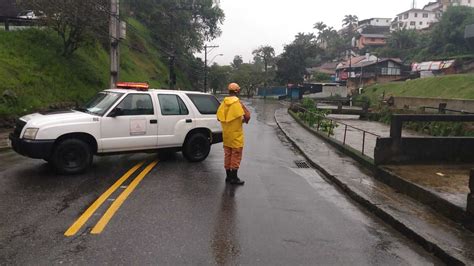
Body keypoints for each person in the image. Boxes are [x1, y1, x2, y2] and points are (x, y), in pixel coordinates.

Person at [216, 83, 251, 186]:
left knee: (227, 155)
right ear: (237, 91)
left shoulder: (224, 103)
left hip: (226, 135)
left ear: (229, 91)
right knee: (236, 155)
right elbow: (247, 115)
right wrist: (243, 121)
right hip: (236, 136)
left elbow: (219, 117)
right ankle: (234, 178)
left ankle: (228, 177)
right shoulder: (238, 103)